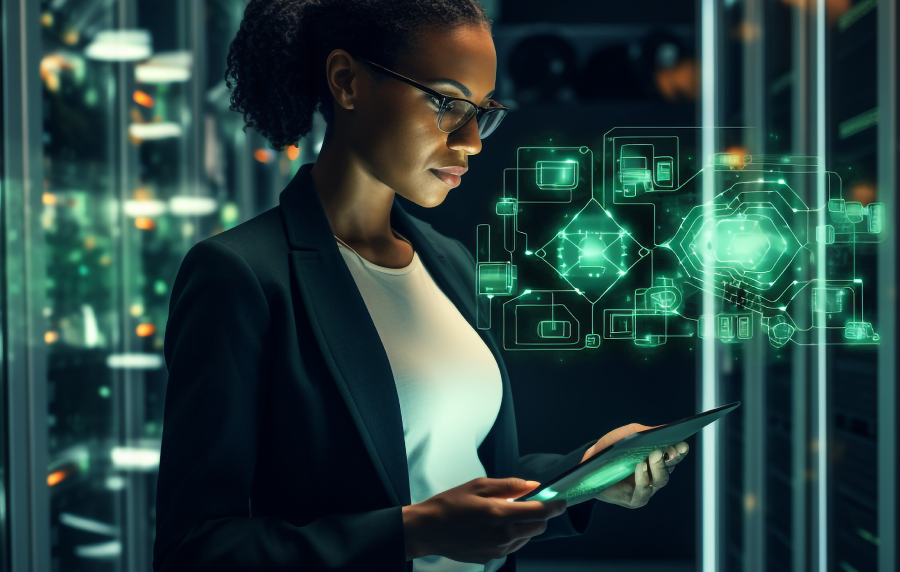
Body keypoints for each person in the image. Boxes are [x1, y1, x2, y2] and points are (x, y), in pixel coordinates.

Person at [151, 1, 689, 570]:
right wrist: (411, 534)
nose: (474, 141)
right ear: (347, 81)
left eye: (484, 111)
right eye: (448, 103)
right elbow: (196, 550)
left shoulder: (446, 262)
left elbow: (458, 471)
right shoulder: (241, 276)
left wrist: (585, 473)